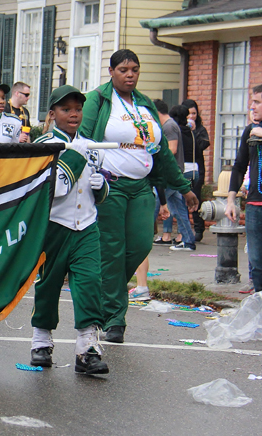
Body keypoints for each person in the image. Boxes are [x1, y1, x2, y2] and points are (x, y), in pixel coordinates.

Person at [80, 49, 197, 344]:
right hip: (111, 186)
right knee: (112, 251)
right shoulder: (98, 99)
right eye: (123, 70)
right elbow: (82, 139)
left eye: (135, 69)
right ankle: (114, 319)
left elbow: (161, 152)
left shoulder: (144, 103)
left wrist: (184, 187)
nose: (130, 75)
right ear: (111, 72)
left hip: (142, 187)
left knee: (142, 244)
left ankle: (106, 295)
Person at [30, 85, 110, 374]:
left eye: (78, 109)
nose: (74, 114)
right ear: (52, 114)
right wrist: (75, 157)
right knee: (48, 284)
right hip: (54, 225)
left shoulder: (92, 147)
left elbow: (99, 193)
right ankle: (41, 341)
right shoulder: (43, 147)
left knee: (90, 282)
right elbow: (54, 189)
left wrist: (102, 187)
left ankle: (87, 348)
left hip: (86, 225)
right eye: (66, 109)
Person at [226, 84, 262, 293]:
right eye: (252, 102)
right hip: (255, 204)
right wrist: (231, 200)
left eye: (257, 102)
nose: (252, 107)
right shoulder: (250, 131)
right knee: (256, 260)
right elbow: (239, 165)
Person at [154, 102, 195, 251]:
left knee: (154, 203)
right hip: (173, 173)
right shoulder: (169, 125)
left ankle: (141, 240)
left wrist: (156, 158)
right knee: (177, 208)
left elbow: (172, 149)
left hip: (170, 174)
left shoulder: (169, 126)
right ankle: (188, 241)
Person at [181, 98, 210, 241]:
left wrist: (193, 133)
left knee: (195, 197)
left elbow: (203, 145)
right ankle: (184, 231)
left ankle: (199, 228)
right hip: (183, 168)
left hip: (197, 168)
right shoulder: (179, 129)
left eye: (194, 113)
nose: (191, 117)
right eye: (189, 114)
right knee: (181, 199)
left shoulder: (200, 130)